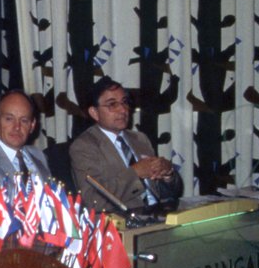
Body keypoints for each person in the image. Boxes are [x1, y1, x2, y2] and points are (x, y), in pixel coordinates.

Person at [69, 76, 182, 211]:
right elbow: (94, 201)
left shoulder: (140, 139)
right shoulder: (84, 146)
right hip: (123, 223)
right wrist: (135, 173)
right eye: (112, 104)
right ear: (94, 113)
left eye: (124, 102)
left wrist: (167, 174)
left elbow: (167, 194)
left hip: (159, 214)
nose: (123, 110)